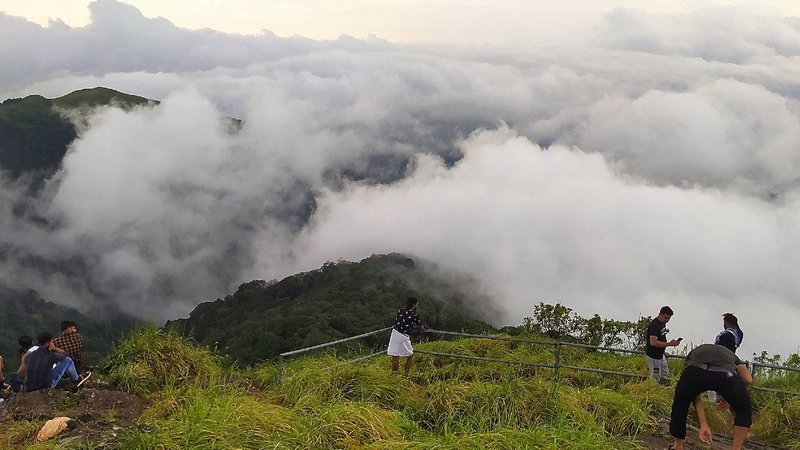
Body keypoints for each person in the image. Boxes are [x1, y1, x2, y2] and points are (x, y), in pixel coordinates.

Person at [669, 342, 753, 450]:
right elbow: (748, 379)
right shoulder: (732, 355)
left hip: (695, 370)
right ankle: (736, 448)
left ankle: (677, 446)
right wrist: (728, 397)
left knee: (681, 401)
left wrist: (703, 424)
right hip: (725, 374)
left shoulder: (694, 353)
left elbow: (694, 394)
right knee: (743, 408)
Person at [18, 332, 88, 393]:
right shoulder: (50, 356)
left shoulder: (29, 355)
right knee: (68, 360)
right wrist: (55, 348)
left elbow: (21, 373)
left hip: (29, 388)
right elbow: (66, 356)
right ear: (48, 342)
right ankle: (76, 380)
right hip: (45, 387)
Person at [387, 297, 424, 375]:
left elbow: (400, 320)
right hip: (403, 335)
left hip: (395, 333)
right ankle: (405, 374)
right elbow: (420, 327)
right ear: (414, 305)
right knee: (410, 355)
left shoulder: (401, 310)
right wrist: (417, 329)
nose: (418, 306)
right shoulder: (414, 314)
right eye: (417, 304)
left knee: (395, 355)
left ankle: (394, 373)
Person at [645, 306, 681, 383]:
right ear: (660, 314)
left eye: (668, 318)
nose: (667, 320)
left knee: (665, 375)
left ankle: (663, 389)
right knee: (655, 378)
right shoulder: (654, 325)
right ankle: (654, 392)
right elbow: (653, 342)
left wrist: (663, 352)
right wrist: (669, 344)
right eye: (665, 318)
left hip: (660, 355)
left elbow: (661, 338)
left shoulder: (662, 324)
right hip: (654, 356)